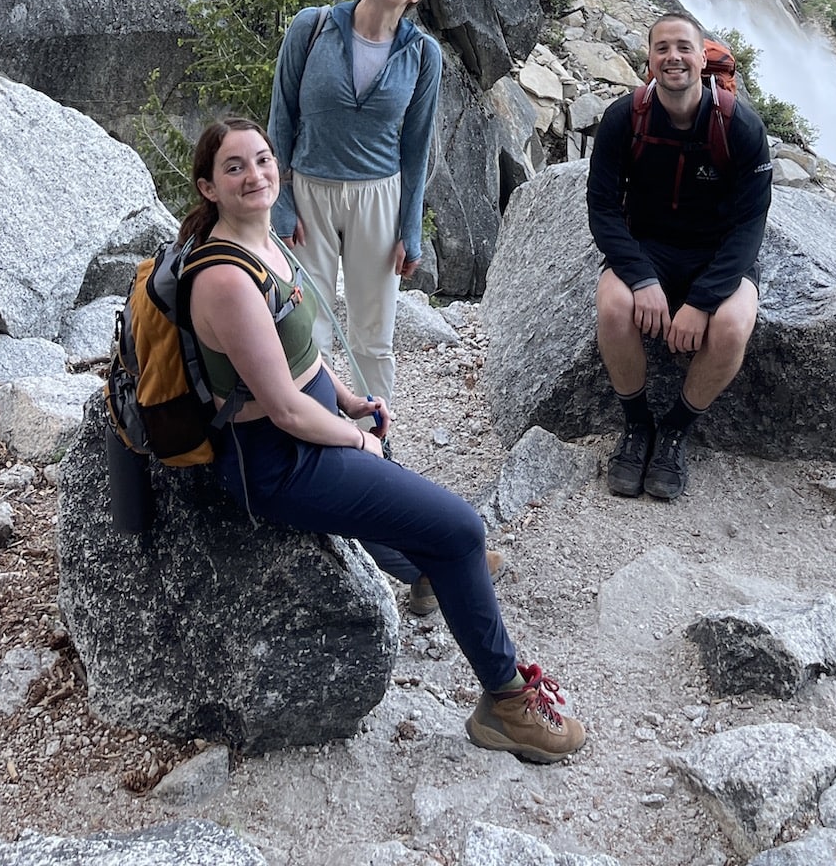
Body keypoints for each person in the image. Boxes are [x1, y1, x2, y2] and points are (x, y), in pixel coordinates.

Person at [185, 116, 585, 763]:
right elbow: (285, 409)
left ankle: (431, 576)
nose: (255, 175)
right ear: (208, 186)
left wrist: (347, 398)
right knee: (459, 529)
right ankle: (506, 706)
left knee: (410, 501)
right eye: (235, 167)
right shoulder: (226, 279)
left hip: (307, 440)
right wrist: (352, 438)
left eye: (262, 160)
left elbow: (298, 356)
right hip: (278, 464)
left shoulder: (266, 244)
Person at [586, 11, 772, 503]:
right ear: (649, 59)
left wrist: (704, 302)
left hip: (718, 254)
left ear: (702, 58)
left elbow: (751, 226)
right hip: (648, 248)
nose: (673, 57)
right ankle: (638, 424)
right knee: (613, 307)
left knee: (732, 327)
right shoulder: (625, 118)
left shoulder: (739, 125)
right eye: (662, 48)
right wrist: (642, 279)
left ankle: (674, 430)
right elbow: (603, 209)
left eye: (684, 47)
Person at [268, 0, 444, 412]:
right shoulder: (314, 25)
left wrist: (410, 228)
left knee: (373, 333)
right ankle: (314, 428)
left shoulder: (424, 55)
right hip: (308, 193)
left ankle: (375, 436)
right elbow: (280, 118)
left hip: (379, 198)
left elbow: (417, 146)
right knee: (307, 325)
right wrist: (280, 205)